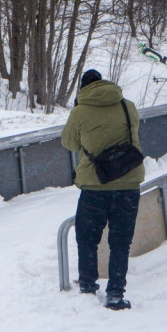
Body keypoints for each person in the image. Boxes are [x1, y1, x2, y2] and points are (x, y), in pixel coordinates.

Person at [61, 69, 145, 311]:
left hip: (95, 185)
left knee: (87, 238)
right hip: (128, 183)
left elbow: (69, 143)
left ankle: (88, 287)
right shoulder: (127, 106)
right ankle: (116, 293)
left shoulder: (80, 111)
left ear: (83, 89)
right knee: (121, 241)